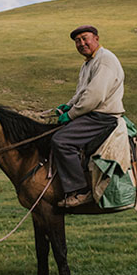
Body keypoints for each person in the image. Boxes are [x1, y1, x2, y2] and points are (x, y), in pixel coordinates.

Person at [52, 25, 125, 208]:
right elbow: (82, 93)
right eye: (78, 41)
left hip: (102, 116)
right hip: (91, 114)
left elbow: (95, 96)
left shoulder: (105, 60)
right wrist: (68, 106)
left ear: (96, 39)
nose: (81, 43)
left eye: (85, 38)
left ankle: (81, 192)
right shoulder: (88, 64)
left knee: (62, 141)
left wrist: (71, 115)